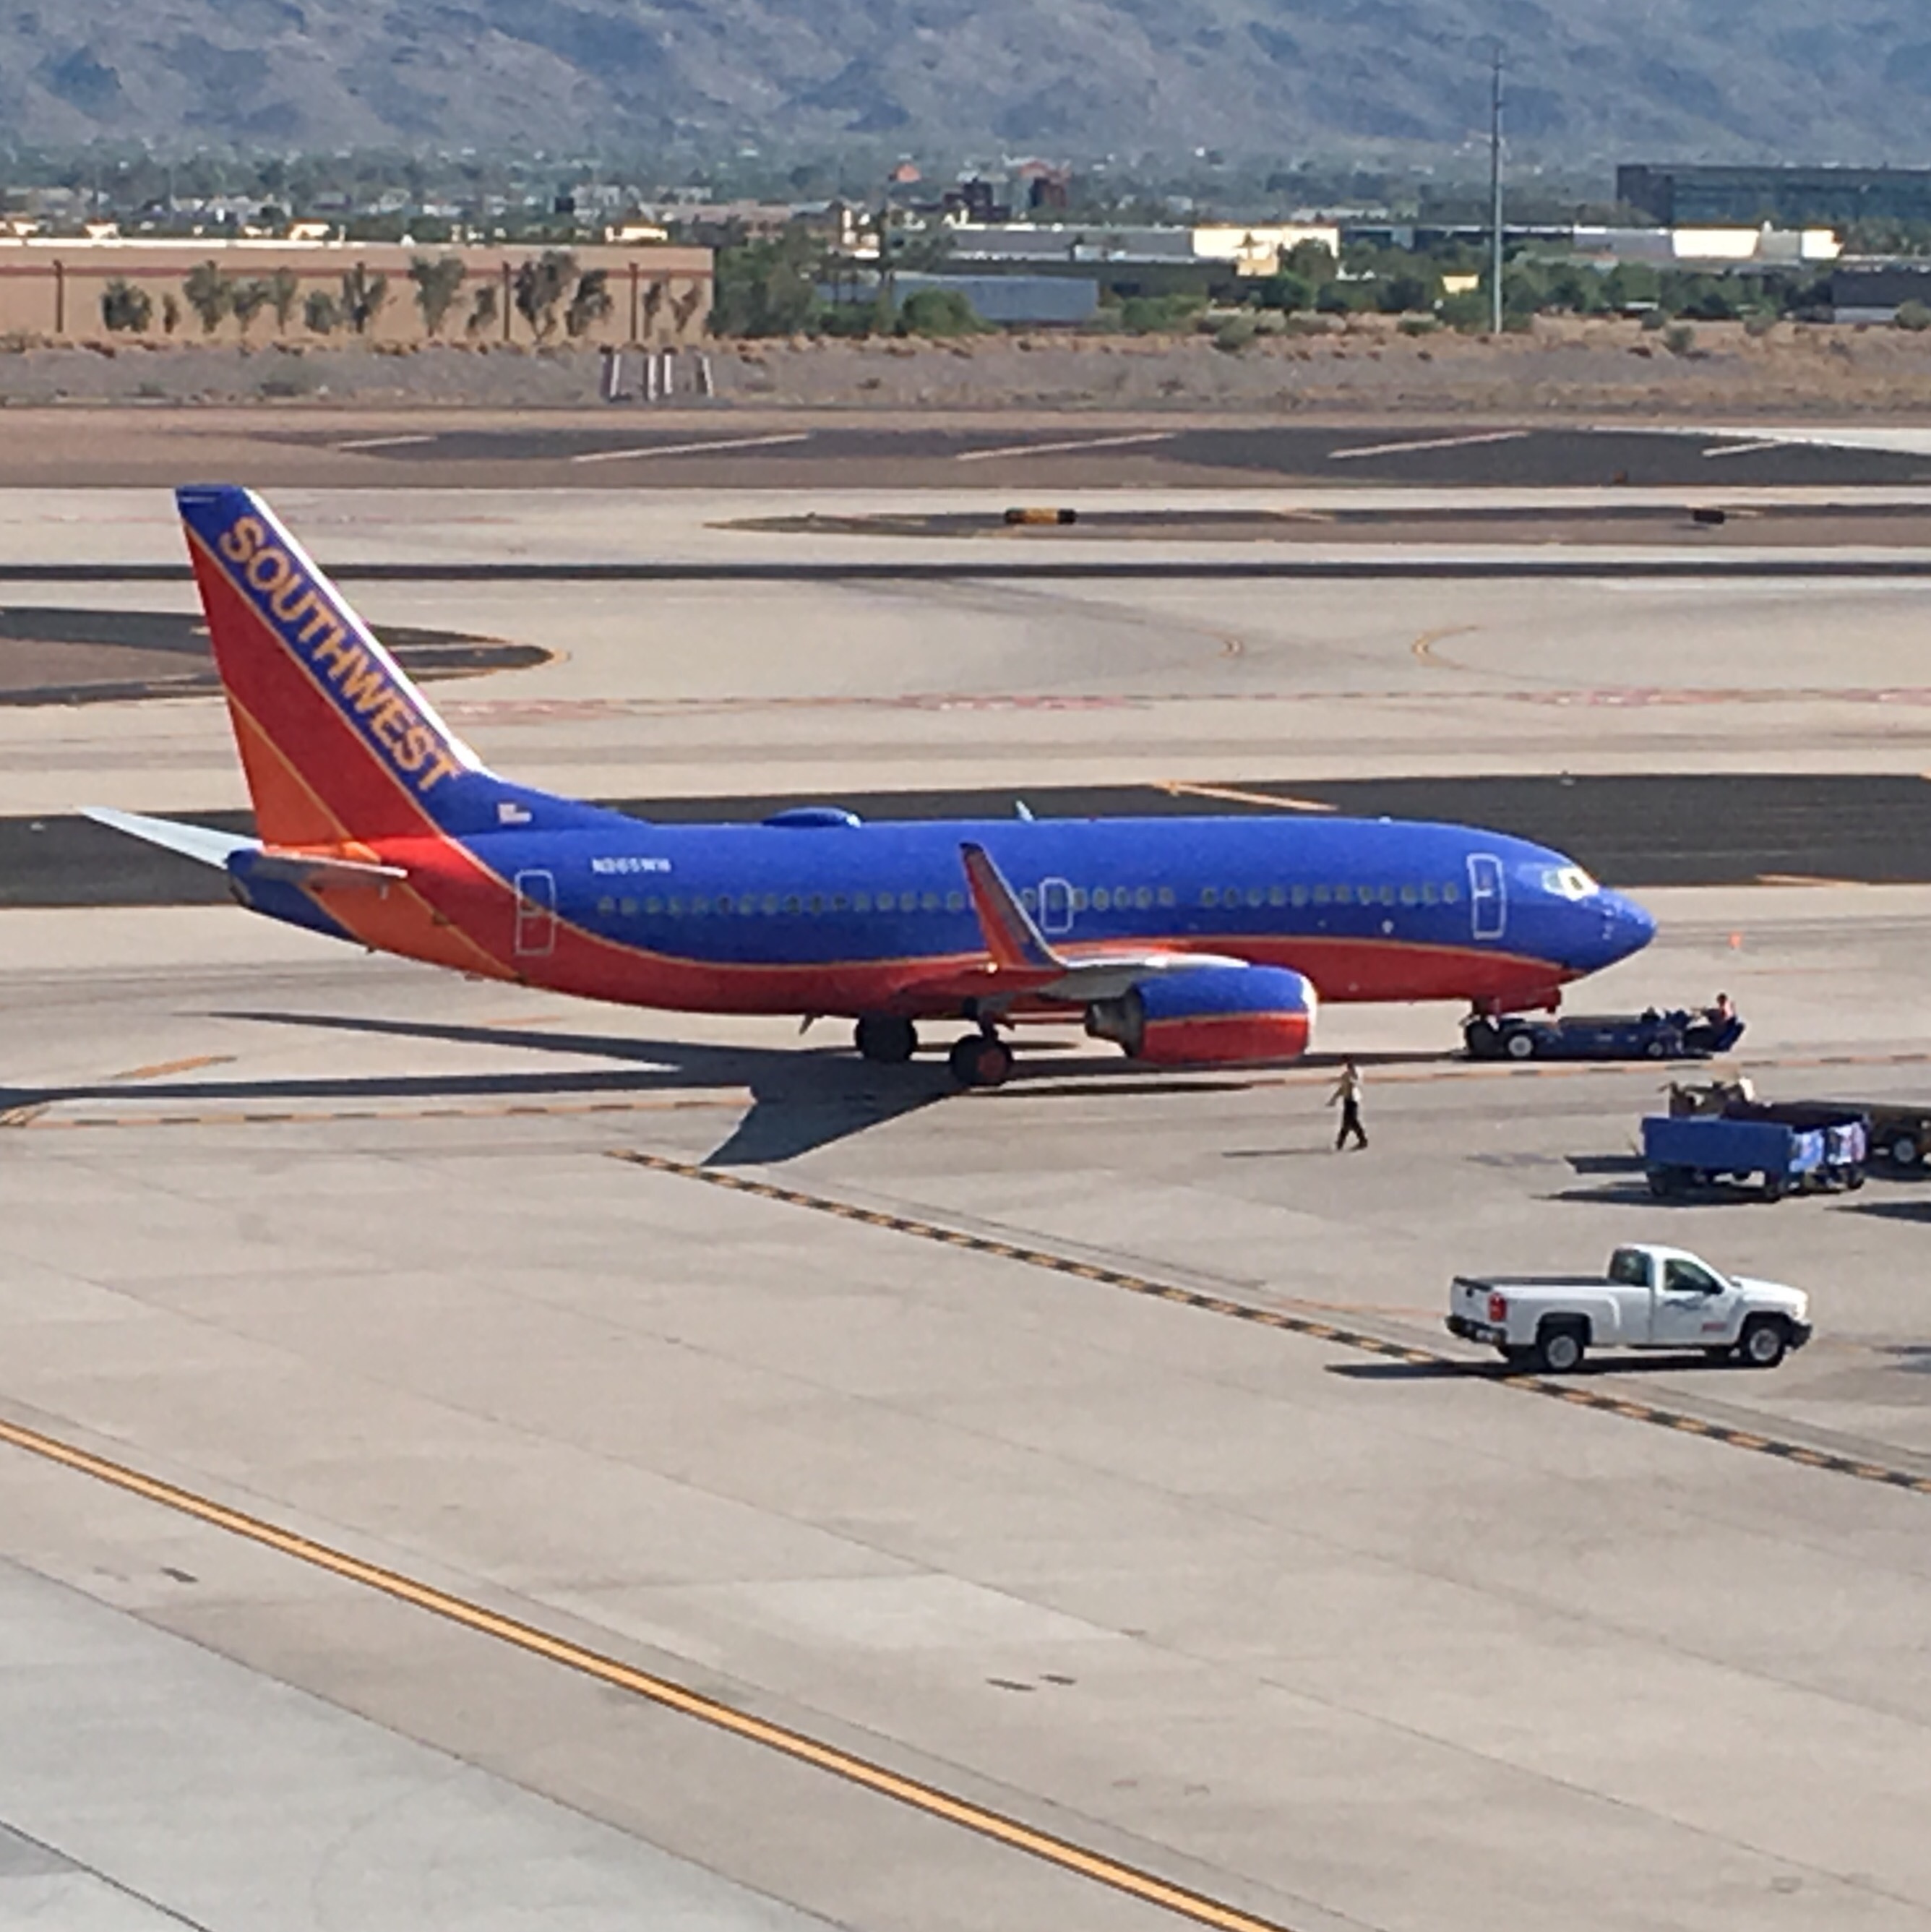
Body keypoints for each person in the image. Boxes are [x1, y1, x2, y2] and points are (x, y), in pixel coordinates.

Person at [1329, 1057, 1367, 1151]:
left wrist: (1352, 1077)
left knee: (1352, 1121)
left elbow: (1357, 1082)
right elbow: (1343, 1088)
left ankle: (1361, 1141)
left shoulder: (1356, 1072)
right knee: (1347, 1122)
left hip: (1353, 1100)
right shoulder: (1346, 1075)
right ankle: (1340, 1143)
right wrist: (1334, 1098)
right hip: (1347, 1100)